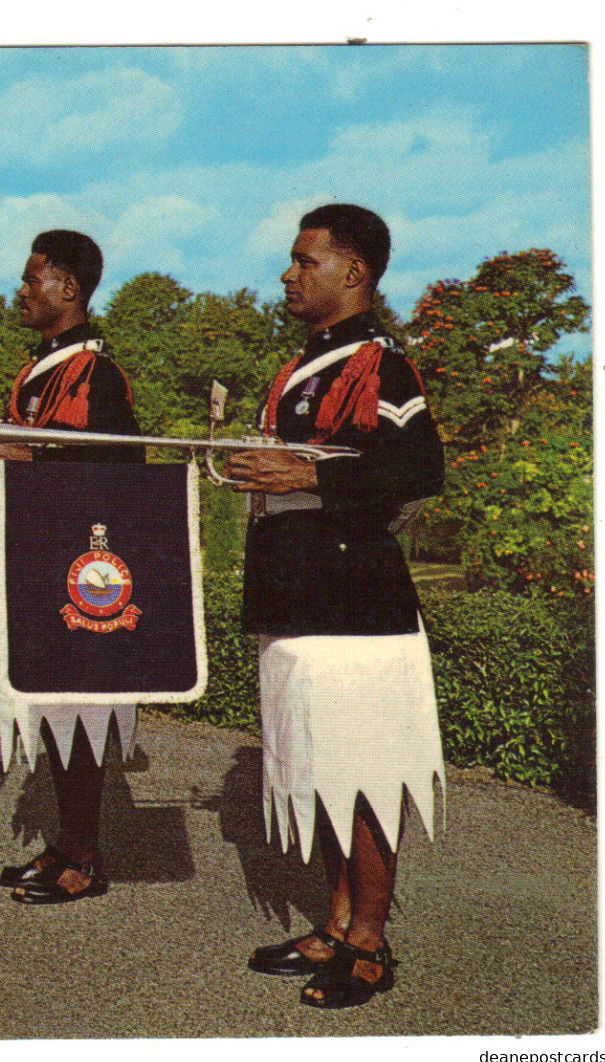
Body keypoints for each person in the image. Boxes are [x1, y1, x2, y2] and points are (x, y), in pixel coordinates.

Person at [228, 204, 445, 1010]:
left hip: (357, 602)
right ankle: (335, 917)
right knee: (314, 763)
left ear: (353, 272)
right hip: (296, 592)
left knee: (361, 770)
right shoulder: (304, 364)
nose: (287, 274)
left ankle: (370, 942)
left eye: (302, 261)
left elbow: (420, 469)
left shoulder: (382, 363)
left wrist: (310, 476)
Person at [0, 230, 145, 903]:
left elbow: (119, 468)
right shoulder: (42, 367)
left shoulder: (95, 373)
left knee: (76, 713)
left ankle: (84, 854)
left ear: (69, 288)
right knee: (51, 712)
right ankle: (65, 839)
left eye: (32, 280)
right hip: (28, 555)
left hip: (71, 568)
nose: (21, 291)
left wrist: (34, 460)